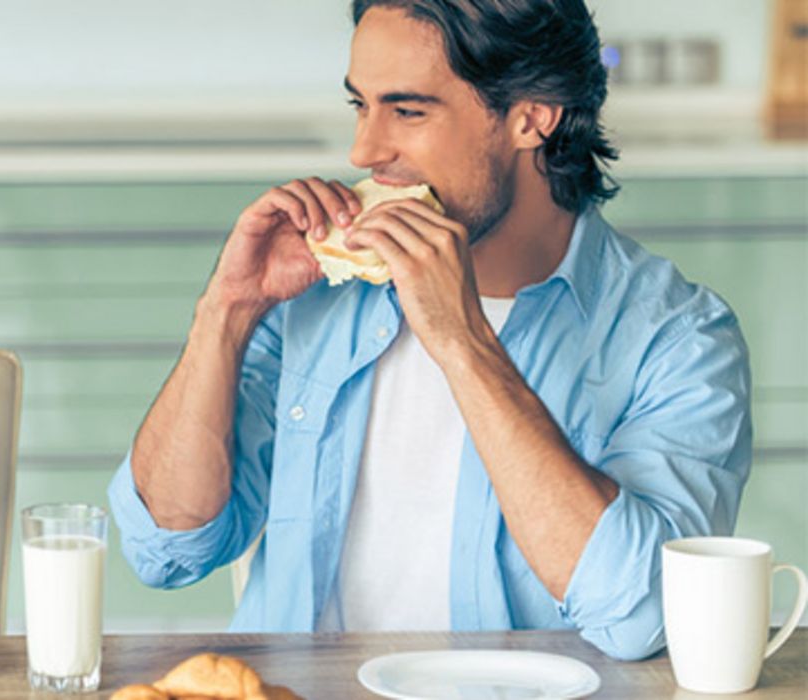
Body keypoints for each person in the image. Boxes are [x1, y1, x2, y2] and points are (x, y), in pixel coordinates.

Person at [108, 0, 750, 661]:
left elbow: (640, 617)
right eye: (360, 105)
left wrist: (462, 341)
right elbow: (167, 548)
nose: (363, 150)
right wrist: (229, 311)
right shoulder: (317, 298)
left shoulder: (677, 339)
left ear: (531, 117)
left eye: (408, 111)